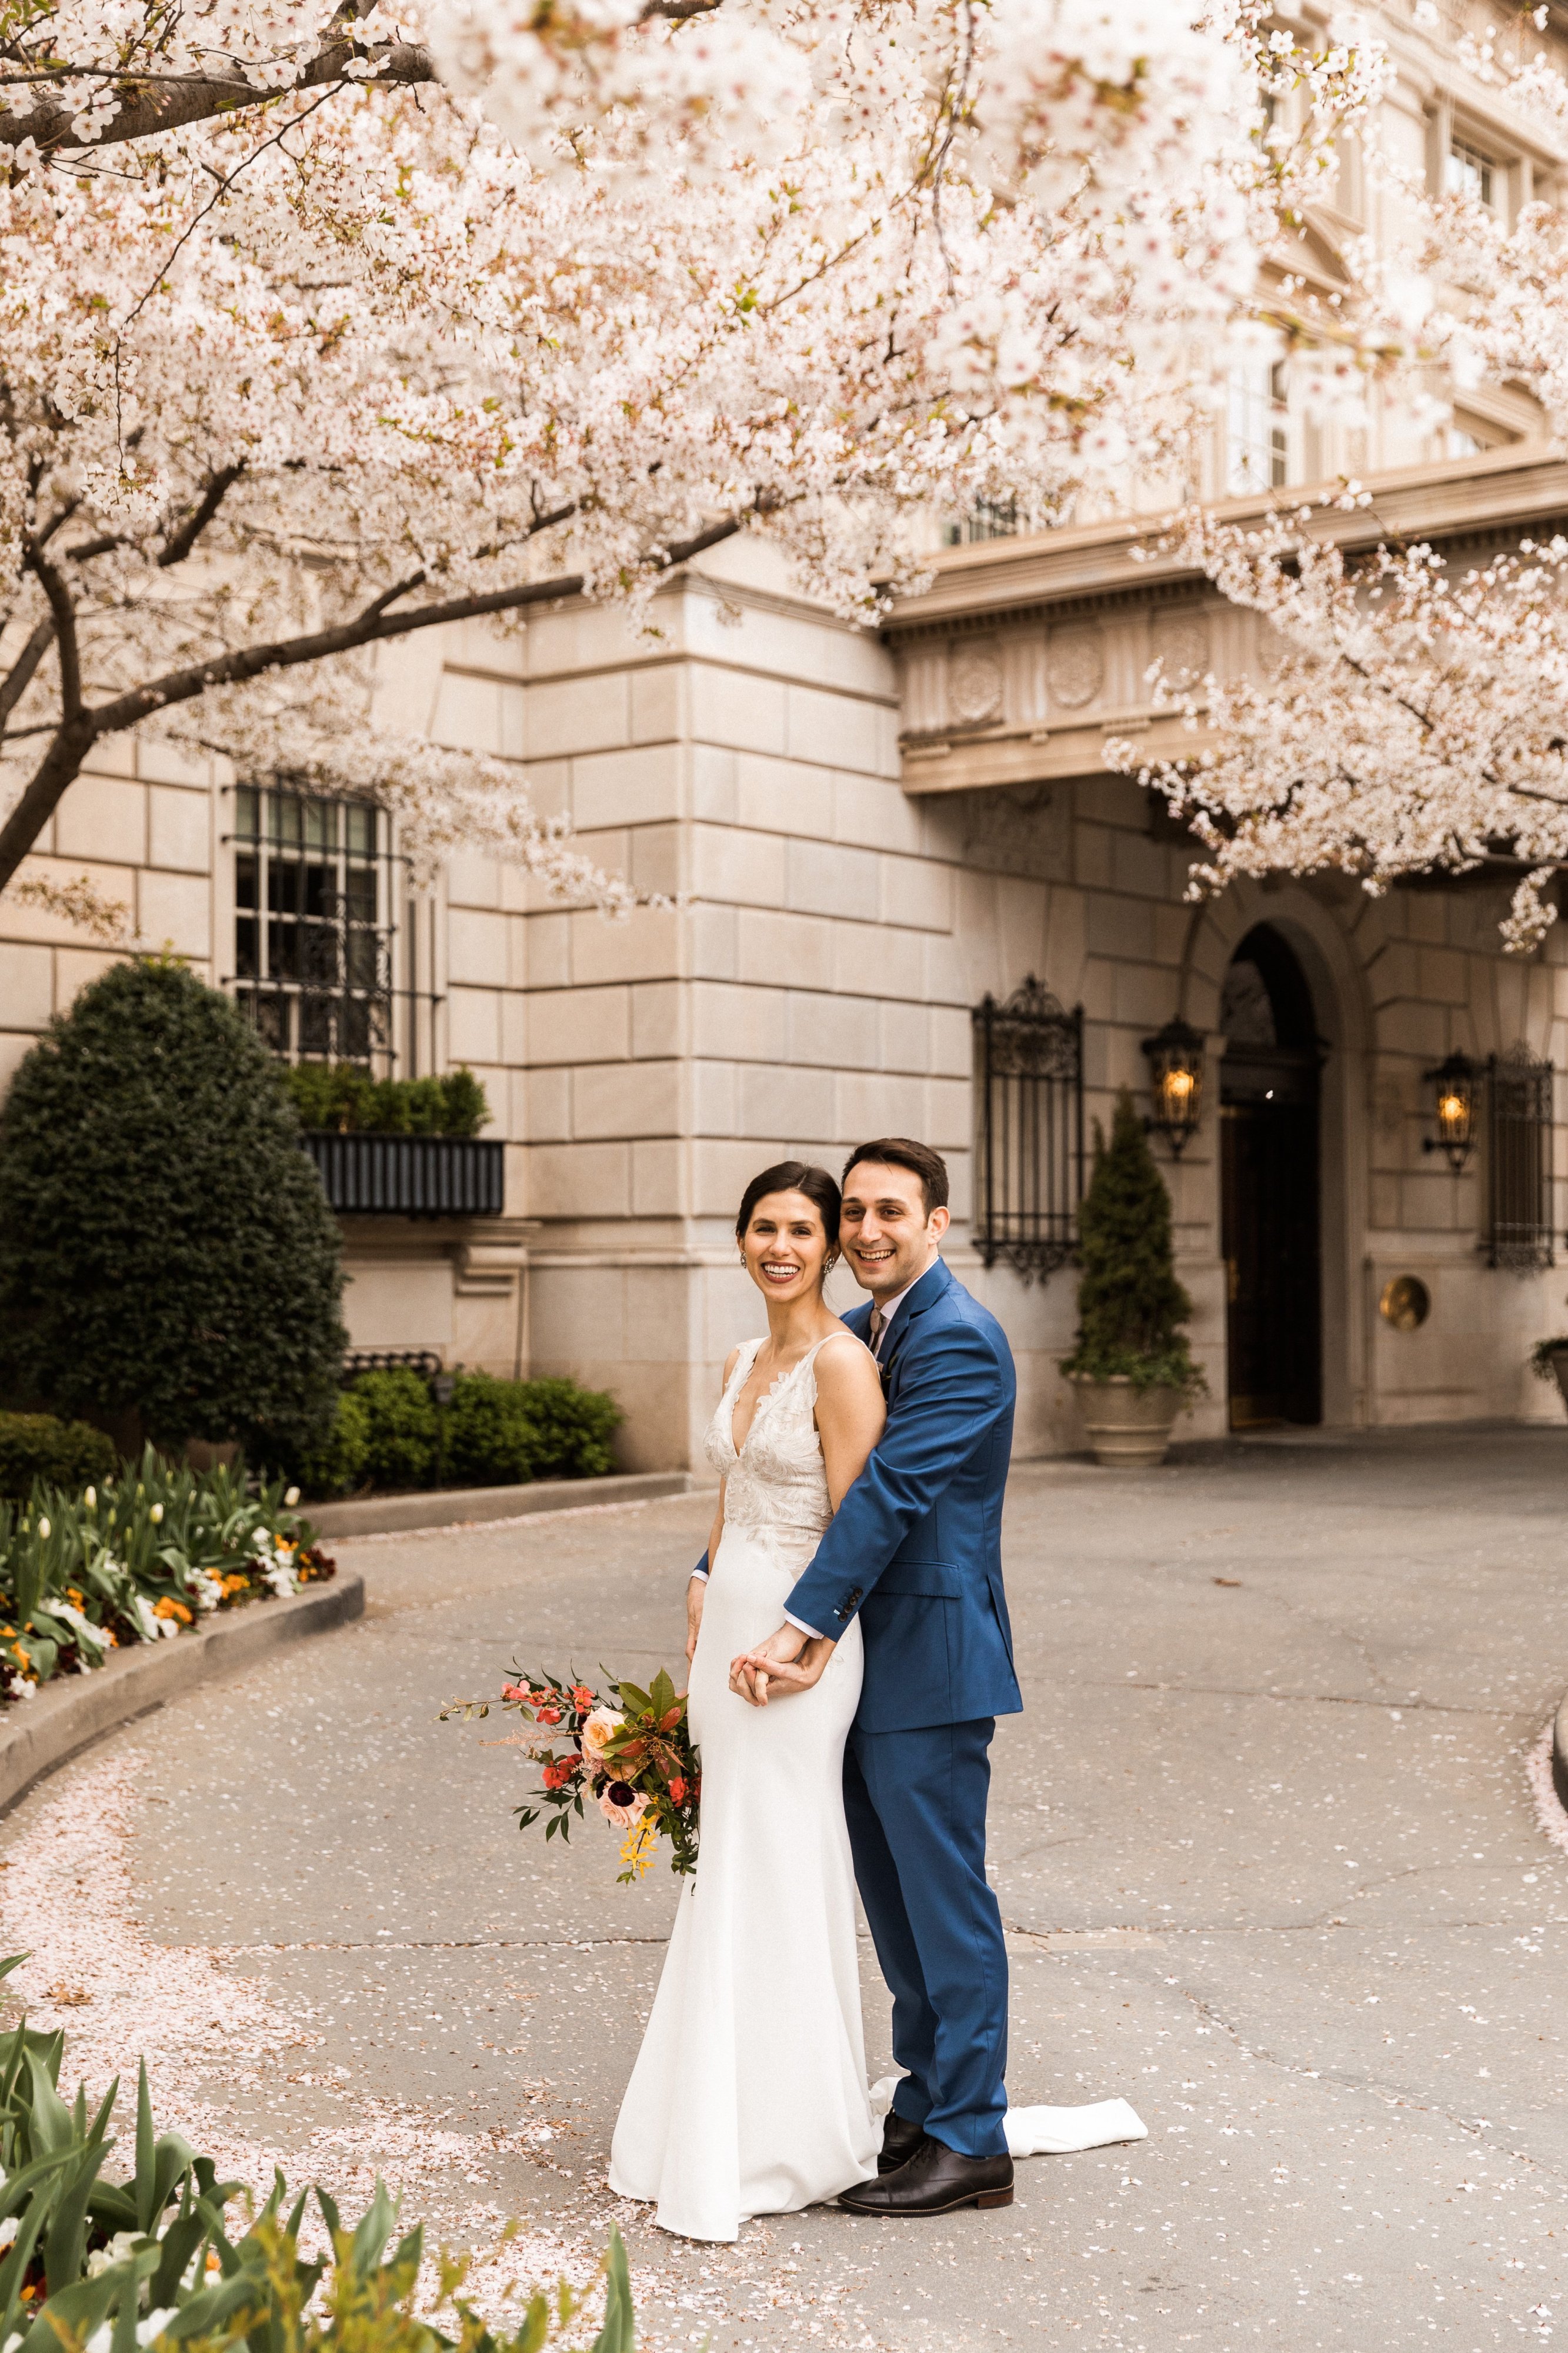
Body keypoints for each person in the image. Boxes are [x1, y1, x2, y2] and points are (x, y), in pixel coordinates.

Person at [731, 1136, 1022, 2219]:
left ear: (937, 1223)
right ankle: (923, 2101)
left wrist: (800, 1623)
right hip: (852, 1664)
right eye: (852, 1212)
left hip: (931, 1658)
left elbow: (889, 1494)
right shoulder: (857, 1333)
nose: (865, 1232)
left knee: (946, 1904)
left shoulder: (960, 1342)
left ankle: (973, 2135)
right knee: (891, 1904)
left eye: (890, 1213)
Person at [608, 1159, 888, 2243]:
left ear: (829, 1248)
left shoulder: (841, 1363)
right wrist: (699, 1573)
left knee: (774, 1853)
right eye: (762, 1228)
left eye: (801, 1231)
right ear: (740, 1240)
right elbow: (736, 1488)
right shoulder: (739, 1357)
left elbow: (859, 1523)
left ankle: (784, 2133)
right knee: (721, 1855)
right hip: (724, 1625)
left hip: (799, 1644)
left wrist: (801, 1637)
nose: (780, 1246)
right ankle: (704, 2115)